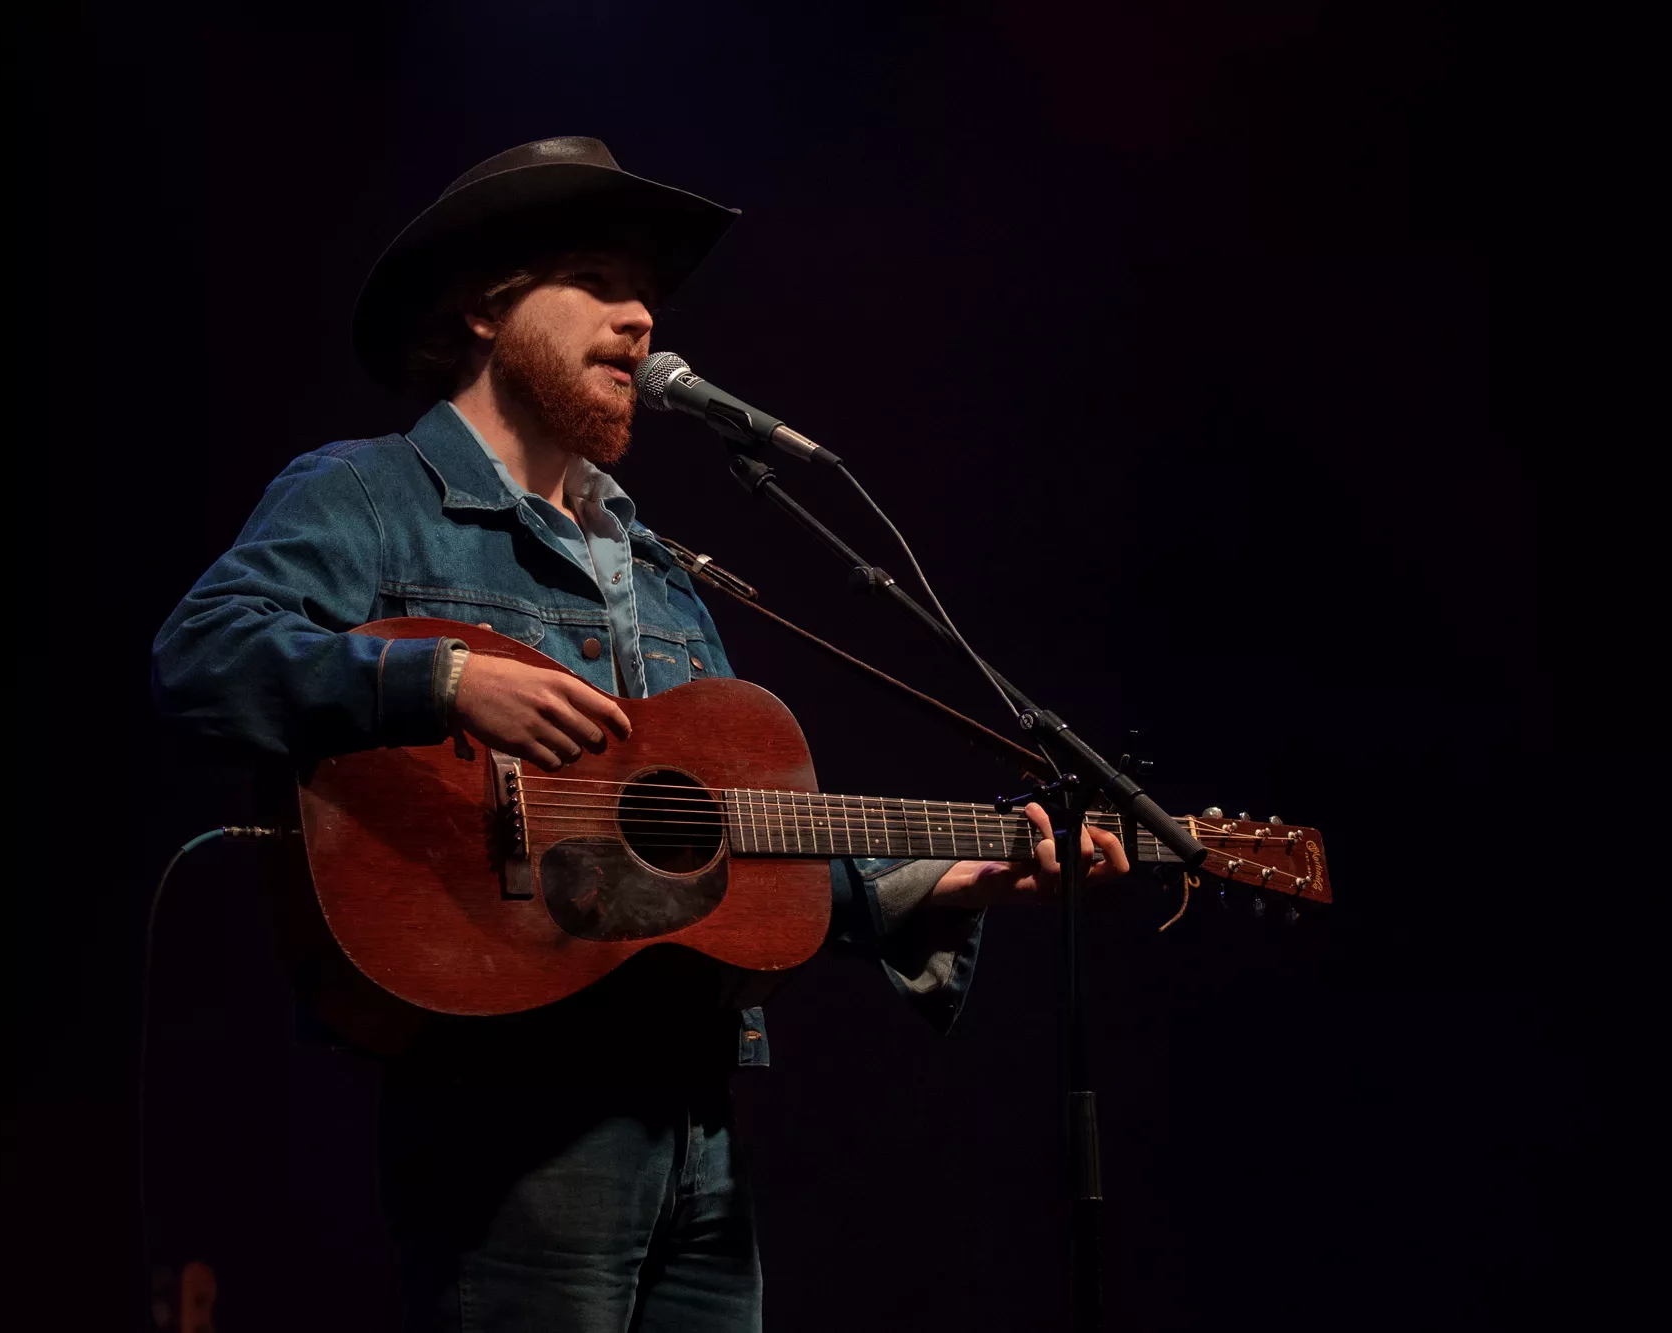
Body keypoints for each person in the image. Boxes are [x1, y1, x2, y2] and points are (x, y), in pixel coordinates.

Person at [152, 136, 1128, 1332]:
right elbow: (202, 652)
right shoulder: (368, 492)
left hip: (695, 1118)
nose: (640, 319)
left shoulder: (659, 566)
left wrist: (951, 881)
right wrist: (444, 680)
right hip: (511, 1116)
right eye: (597, 282)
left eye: (646, 295)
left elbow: (719, 855)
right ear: (483, 309)